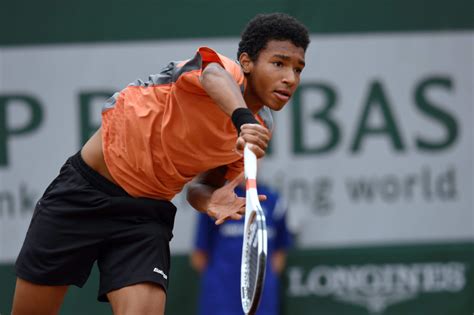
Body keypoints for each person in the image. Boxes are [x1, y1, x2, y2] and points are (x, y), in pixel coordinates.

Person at [11, 12, 309, 315]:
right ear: (247, 62)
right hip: (83, 192)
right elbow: (212, 76)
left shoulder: (260, 128)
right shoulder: (224, 71)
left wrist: (210, 201)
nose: (290, 78)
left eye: (298, 69)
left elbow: (202, 187)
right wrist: (242, 119)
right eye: (279, 63)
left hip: (144, 216)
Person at [191, 182, 292, 315]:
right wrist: (220, 282)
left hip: (262, 300)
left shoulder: (274, 200)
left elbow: (280, 252)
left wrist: (262, 281)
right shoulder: (217, 200)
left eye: (256, 160)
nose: (247, 163)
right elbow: (199, 256)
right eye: (241, 160)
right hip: (220, 298)